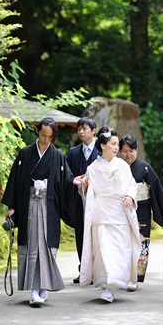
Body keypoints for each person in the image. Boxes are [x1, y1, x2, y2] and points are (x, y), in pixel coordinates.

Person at [2, 117, 77, 307]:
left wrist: (75, 182)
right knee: (32, 246)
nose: (46, 140)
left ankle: (44, 288)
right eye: (43, 135)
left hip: (49, 207)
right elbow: (15, 181)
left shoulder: (58, 156)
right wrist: (11, 206)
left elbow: (67, 180)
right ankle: (34, 289)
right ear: (38, 132)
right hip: (29, 206)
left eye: (50, 137)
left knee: (47, 247)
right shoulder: (26, 154)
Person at [75, 127, 141, 302]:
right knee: (104, 251)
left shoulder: (123, 166)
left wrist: (129, 196)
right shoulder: (93, 168)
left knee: (120, 250)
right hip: (101, 213)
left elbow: (132, 185)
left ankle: (118, 280)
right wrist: (86, 187)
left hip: (120, 213)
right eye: (112, 144)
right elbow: (89, 194)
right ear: (102, 145)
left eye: (116, 144)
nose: (116, 147)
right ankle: (107, 286)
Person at [119, 134, 163, 285]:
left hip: (142, 209)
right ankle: (124, 274)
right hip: (123, 210)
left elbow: (156, 188)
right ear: (120, 151)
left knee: (142, 242)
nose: (129, 154)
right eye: (125, 151)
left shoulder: (145, 167)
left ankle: (138, 275)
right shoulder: (118, 168)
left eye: (132, 150)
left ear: (137, 150)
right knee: (124, 242)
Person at [65, 117, 100, 283]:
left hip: (99, 201)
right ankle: (83, 270)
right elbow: (67, 173)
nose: (81, 132)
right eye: (79, 129)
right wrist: (75, 181)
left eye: (84, 128)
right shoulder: (73, 152)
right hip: (79, 200)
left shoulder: (102, 150)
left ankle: (98, 270)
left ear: (94, 131)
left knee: (97, 234)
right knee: (80, 234)